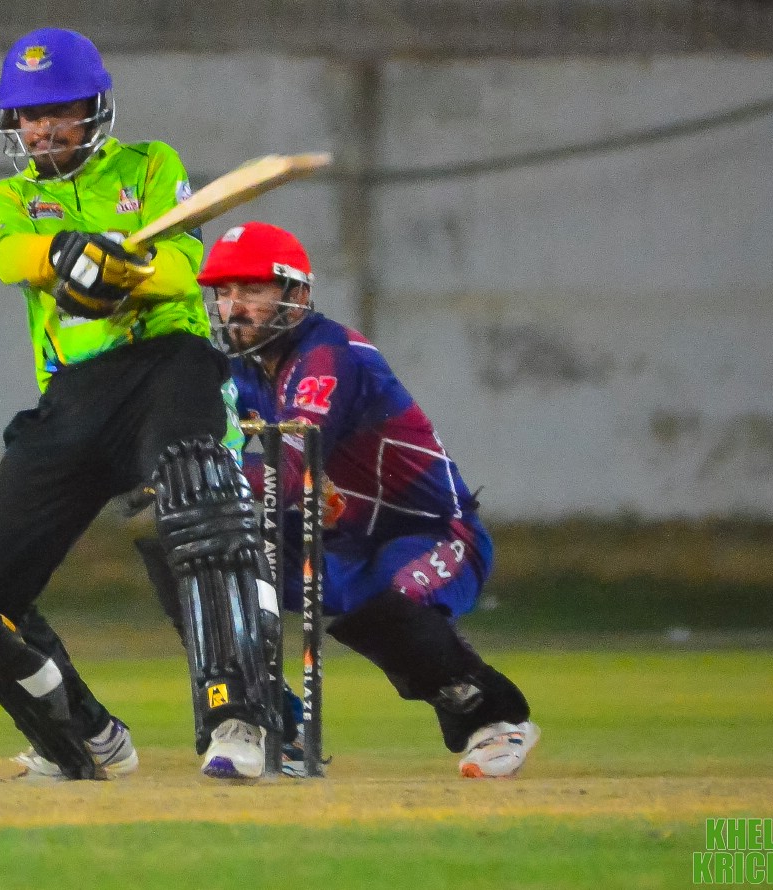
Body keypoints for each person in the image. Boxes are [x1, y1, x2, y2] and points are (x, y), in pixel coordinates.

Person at [0, 27, 282, 783]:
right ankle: (85, 736)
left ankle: (237, 720)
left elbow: (185, 266)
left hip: (169, 369)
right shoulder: (4, 201)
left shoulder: (151, 166)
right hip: (74, 393)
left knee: (200, 519)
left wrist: (125, 267)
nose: (42, 128)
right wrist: (65, 253)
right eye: (28, 115)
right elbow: (11, 257)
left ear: (94, 109)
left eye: (59, 110)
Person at [196, 220, 540, 779]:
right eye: (224, 292)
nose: (233, 307)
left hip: (431, 533)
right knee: (198, 557)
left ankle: (495, 720)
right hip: (337, 545)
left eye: (252, 290)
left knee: (385, 609)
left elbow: (291, 472)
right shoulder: (242, 371)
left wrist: (203, 472)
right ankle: (269, 721)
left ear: (296, 296)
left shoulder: (329, 354)